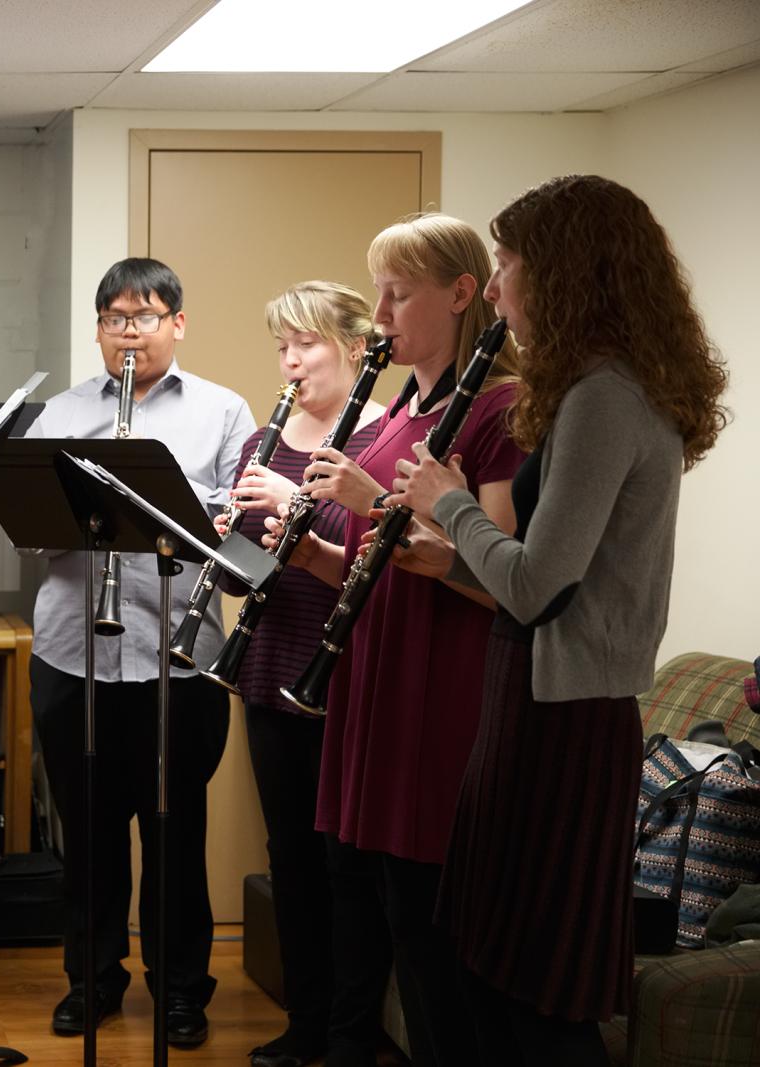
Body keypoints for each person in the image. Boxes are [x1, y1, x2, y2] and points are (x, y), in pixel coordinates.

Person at [384, 176, 728, 1065]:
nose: (494, 289)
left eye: (506, 264)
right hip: (532, 700)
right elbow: (552, 580)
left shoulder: (606, 396)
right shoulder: (595, 386)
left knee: (534, 1000)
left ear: (566, 271)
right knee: (491, 977)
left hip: (563, 722)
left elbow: (540, 586)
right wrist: (449, 558)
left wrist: (450, 502)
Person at [264, 214, 524, 1067]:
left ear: (460, 294)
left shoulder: (498, 407)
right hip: (368, 684)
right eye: (376, 290)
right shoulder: (403, 408)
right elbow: (378, 568)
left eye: (397, 293)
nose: (378, 312)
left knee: (423, 931)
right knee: (364, 899)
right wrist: (306, 549)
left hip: (435, 693)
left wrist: (372, 492)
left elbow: (489, 575)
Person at [28, 257, 256, 1048]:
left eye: (146, 315)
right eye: (115, 318)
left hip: (176, 656)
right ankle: (90, 980)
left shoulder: (225, 411)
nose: (130, 331)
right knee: (85, 837)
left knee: (174, 833)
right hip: (72, 652)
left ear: (178, 324)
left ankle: (182, 988)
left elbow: (242, 527)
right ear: (98, 329)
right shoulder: (58, 413)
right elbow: (30, 527)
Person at [215, 282, 388, 1067]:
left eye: (306, 344)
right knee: (289, 855)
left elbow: (377, 567)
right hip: (270, 667)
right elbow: (243, 578)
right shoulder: (262, 440)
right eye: (281, 346)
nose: (289, 361)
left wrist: (297, 503)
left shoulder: (385, 441)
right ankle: (307, 1021)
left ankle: (354, 1035)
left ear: (356, 346)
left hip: (350, 676)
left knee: (348, 864)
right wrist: (226, 545)